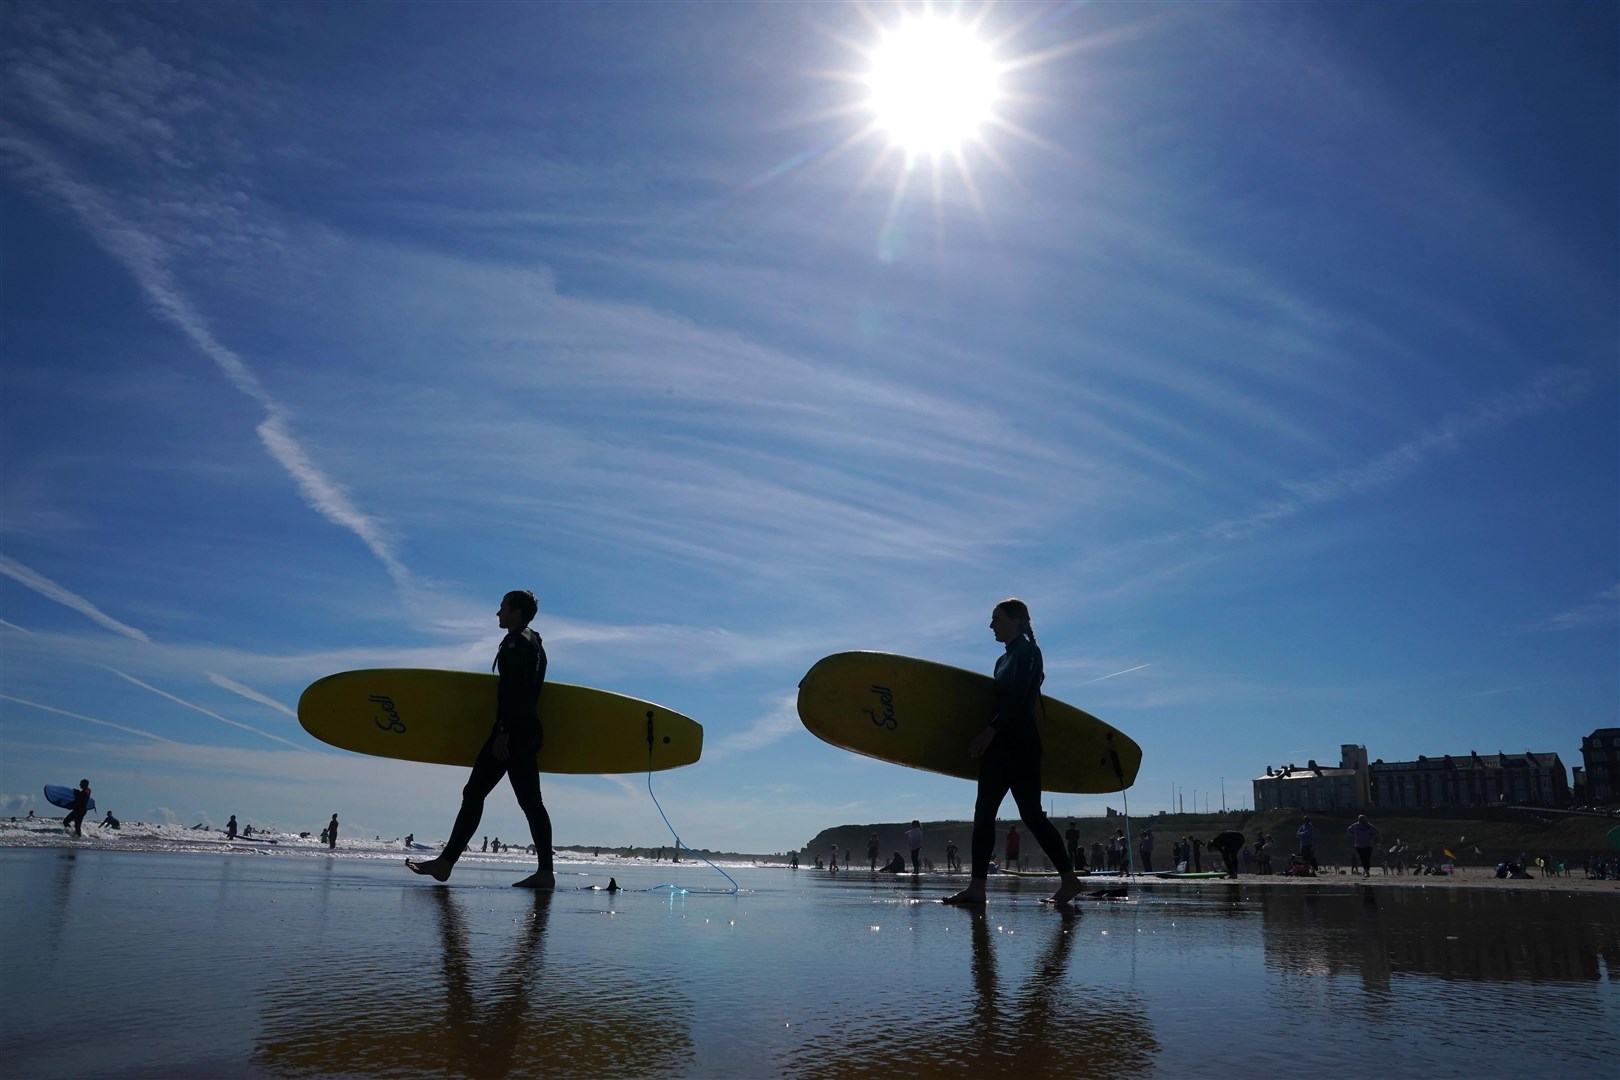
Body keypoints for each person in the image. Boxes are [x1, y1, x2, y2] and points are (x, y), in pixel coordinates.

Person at [409, 590, 554, 889]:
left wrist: (503, 731)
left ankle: (446, 863)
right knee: (530, 803)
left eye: (502, 607)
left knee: (475, 793)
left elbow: (514, 692)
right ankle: (544, 872)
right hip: (526, 731)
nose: (497, 613)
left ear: (515, 612)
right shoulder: (536, 642)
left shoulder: (516, 642)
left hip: (512, 732)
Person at [944, 599, 1083, 906]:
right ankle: (978, 887)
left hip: (1020, 745)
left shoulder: (1028, 653)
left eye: (996, 619)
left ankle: (1070, 880)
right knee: (985, 814)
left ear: (1016, 621)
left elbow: (1019, 700)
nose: (991, 625)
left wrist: (991, 729)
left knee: (1031, 815)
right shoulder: (1002, 660)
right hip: (1000, 747)